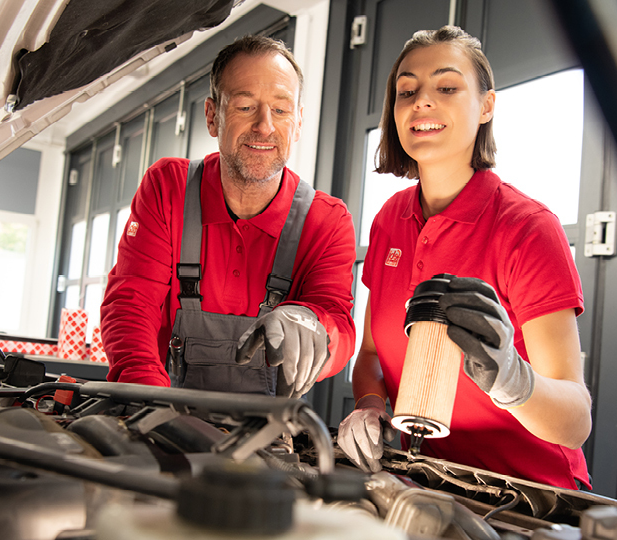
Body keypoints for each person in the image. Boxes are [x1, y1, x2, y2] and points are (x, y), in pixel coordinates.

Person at [336, 26, 592, 490]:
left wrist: (514, 381)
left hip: (531, 494)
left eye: (447, 87)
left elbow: (575, 421)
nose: (422, 102)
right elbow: (371, 353)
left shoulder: (528, 227)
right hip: (435, 481)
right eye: (407, 90)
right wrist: (370, 404)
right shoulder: (390, 219)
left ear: (487, 106)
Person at [100, 35, 356, 398]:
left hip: (264, 437)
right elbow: (131, 303)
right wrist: (149, 404)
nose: (265, 126)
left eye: (281, 110)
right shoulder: (168, 187)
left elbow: (340, 326)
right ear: (212, 116)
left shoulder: (327, 220)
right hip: (158, 415)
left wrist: (314, 324)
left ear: (298, 123)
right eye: (246, 107)